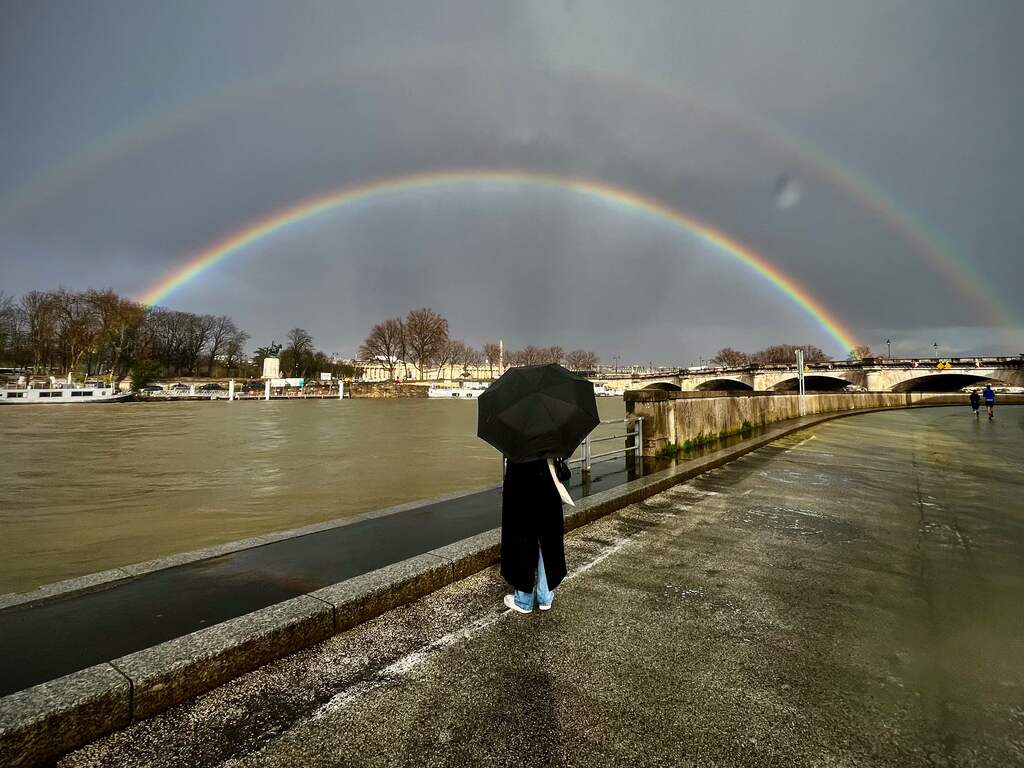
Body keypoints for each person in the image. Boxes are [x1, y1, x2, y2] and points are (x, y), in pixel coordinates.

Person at [500, 457, 568, 614]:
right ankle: (545, 596)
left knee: (522, 537)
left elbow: (513, 448)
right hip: (548, 479)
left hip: (521, 479)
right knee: (547, 538)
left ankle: (524, 600)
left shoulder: (519, 435)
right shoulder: (552, 433)